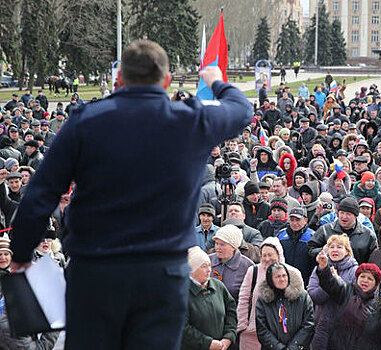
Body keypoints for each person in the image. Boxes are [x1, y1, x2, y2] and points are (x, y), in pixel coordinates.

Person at [8, 41, 252, 349]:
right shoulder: (192, 120)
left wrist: (20, 253)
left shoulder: (86, 121)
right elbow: (242, 109)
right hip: (162, 276)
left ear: (120, 78)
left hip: (96, 273)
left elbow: (41, 193)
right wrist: (215, 80)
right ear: (165, 81)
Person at [315, 252, 381, 350]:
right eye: (362, 276)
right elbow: (330, 283)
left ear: (376, 284)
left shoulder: (380, 303)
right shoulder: (346, 290)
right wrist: (323, 267)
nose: (365, 280)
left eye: (370, 278)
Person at [237, 237, 303, 350]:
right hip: (252, 334)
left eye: (270, 254)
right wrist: (243, 326)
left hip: (282, 335)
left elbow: (300, 306)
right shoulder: (253, 271)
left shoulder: (293, 273)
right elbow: (243, 299)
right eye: (264, 255)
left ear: (279, 254)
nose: (267, 258)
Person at [307, 234, 359, 349]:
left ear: (347, 251)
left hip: (344, 327)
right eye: (331, 247)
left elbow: (351, 299)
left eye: (339, 247)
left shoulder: (355, 270)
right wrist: (328, 279)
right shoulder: (319, 268)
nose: (335, 250)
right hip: (321, 324)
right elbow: (314, 296)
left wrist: (336, 281)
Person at [182, 247, 237, 350]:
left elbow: (231, 312)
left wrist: (228, 337)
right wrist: (207, 343)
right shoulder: (182, 292)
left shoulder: (218, 286)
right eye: (203, 266)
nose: (209, 270)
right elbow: (182, 327)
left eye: (209, 265)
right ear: (191, 270)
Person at [255, 262, 315, 349]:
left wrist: (294, 347)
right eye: (277, 277)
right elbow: (262, 329)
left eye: (284, 275)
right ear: (271, 280)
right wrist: (279, 348)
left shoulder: (302, 297)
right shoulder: (263, 301)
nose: (282, 279)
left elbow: (309, 324)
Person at [308, 197, 376, 265]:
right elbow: (310, 250)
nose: (344, 217)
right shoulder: (325, 230)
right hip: (328, 272)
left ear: (356, 216)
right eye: (342, 213)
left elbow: (373, 260)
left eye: (348, 214)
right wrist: (323, 250)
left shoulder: (368, 235)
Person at [209, 224, 254, 301]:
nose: (217, 248)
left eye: (222, 245)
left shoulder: (247, 266)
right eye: (216, 243)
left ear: (233, 246)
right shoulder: (207, 261)